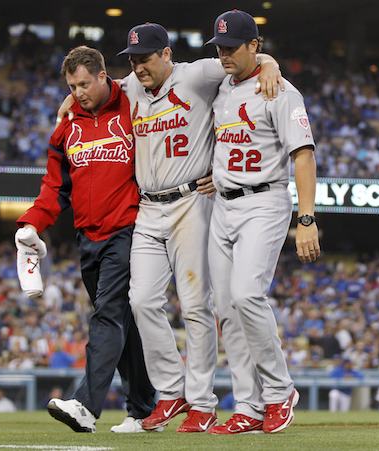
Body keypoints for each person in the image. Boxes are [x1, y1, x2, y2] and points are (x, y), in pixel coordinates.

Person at [117, 23, 282, 433]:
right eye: (134, 59)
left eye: (146, 57)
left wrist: (270, 63)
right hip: (149, 208)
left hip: (192, 201)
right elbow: (96, 89)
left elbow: (244, 59)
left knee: (196, 306)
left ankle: (203, 402)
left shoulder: (195, 73)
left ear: (166, 54)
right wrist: (69, 99)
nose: (138, 66)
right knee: (141, 301)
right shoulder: (130, 86)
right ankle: (171, 393)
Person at [15, 46, 155, 433]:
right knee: (120, 322)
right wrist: (31, 224)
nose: (78, 92)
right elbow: (53, 187)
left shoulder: (133, 102)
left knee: (107, 315)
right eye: (71, 86)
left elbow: (174, 76)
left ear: (102, 75)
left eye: (83, 84)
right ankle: (145, 410)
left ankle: (86, 405)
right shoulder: (65, 128)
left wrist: (267, 62)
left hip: (128, 230)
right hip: (87, 237)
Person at [204, 10, 320, 434]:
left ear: (255, 45)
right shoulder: (220, 86)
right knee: (227, 310)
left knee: (247, 294)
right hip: (223, 204)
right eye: (219, 48)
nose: (224, 55)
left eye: (232, 47)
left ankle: (280, 391)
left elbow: (303, 154)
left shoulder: (281, 90)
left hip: (264, 200)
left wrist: (306, 218)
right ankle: (248, 407)